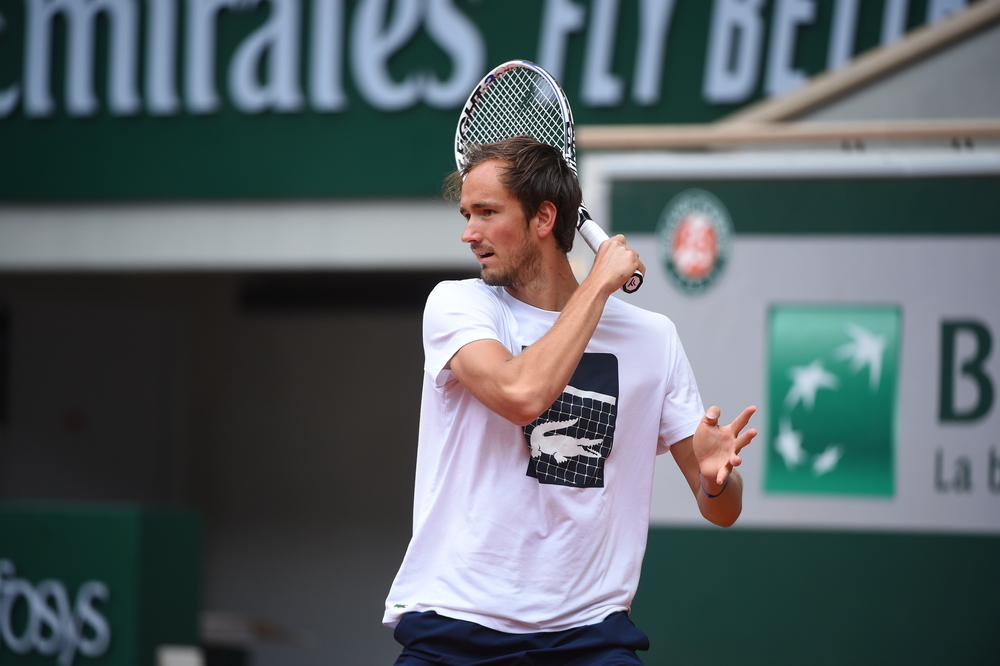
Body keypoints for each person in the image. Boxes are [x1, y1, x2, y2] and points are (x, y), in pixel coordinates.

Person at [383, 136, 756, 665]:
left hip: (589, 638)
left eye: (487, 213)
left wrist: (717, 479)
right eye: (467, 214)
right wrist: (597, 286)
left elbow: (723, 510)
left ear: (543, 218)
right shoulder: (457, 305)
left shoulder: (654, 338)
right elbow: (521, 394)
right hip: (455, 630)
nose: (469, 233)